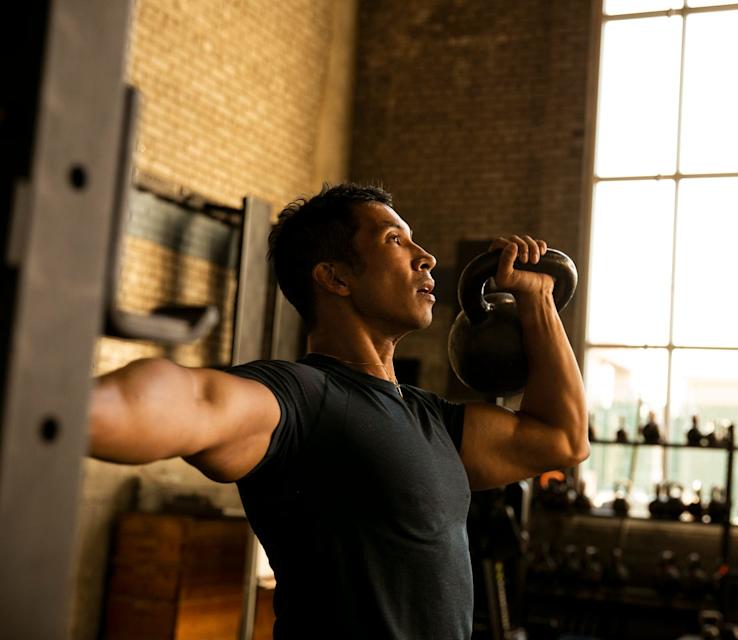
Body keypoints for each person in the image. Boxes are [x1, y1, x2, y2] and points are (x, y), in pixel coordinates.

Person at [88, 183, 589, 638]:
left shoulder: (432, 420)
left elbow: (563, 440)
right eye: (395, 241)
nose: (427, 258)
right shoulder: (303, 399)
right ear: (335, 277)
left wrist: (537, 301)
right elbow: (191, 400)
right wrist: (71, 409)